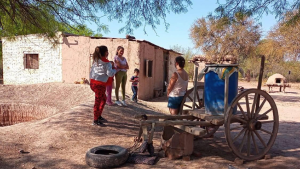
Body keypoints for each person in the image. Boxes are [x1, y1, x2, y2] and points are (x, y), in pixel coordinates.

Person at [90, 46, 116, 126]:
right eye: (107, 51)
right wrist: (115, 69)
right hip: (100, 85)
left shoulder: (95, 60)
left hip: (93, 83)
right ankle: (95, 120)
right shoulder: (107, 63)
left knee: (103, 99)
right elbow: (110, 73)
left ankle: (98, 116)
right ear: (105, 52)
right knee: (98, 102)